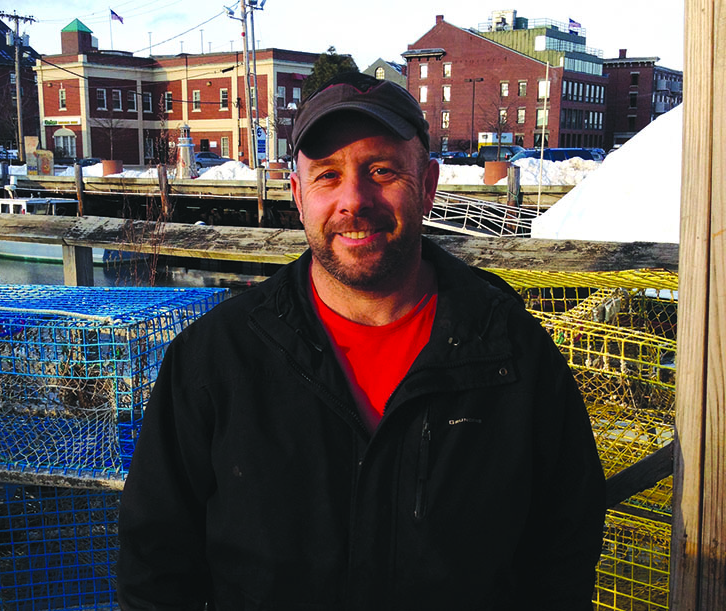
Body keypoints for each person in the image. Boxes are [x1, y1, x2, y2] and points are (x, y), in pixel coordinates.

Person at [117, 72, 605, 610]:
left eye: (382, 170)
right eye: (328, 176)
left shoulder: (513, 352)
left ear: (427, 185)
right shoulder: (214, 360)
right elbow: (155, 561)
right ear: (298, 196)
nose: (354, 199)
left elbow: (565, 543)